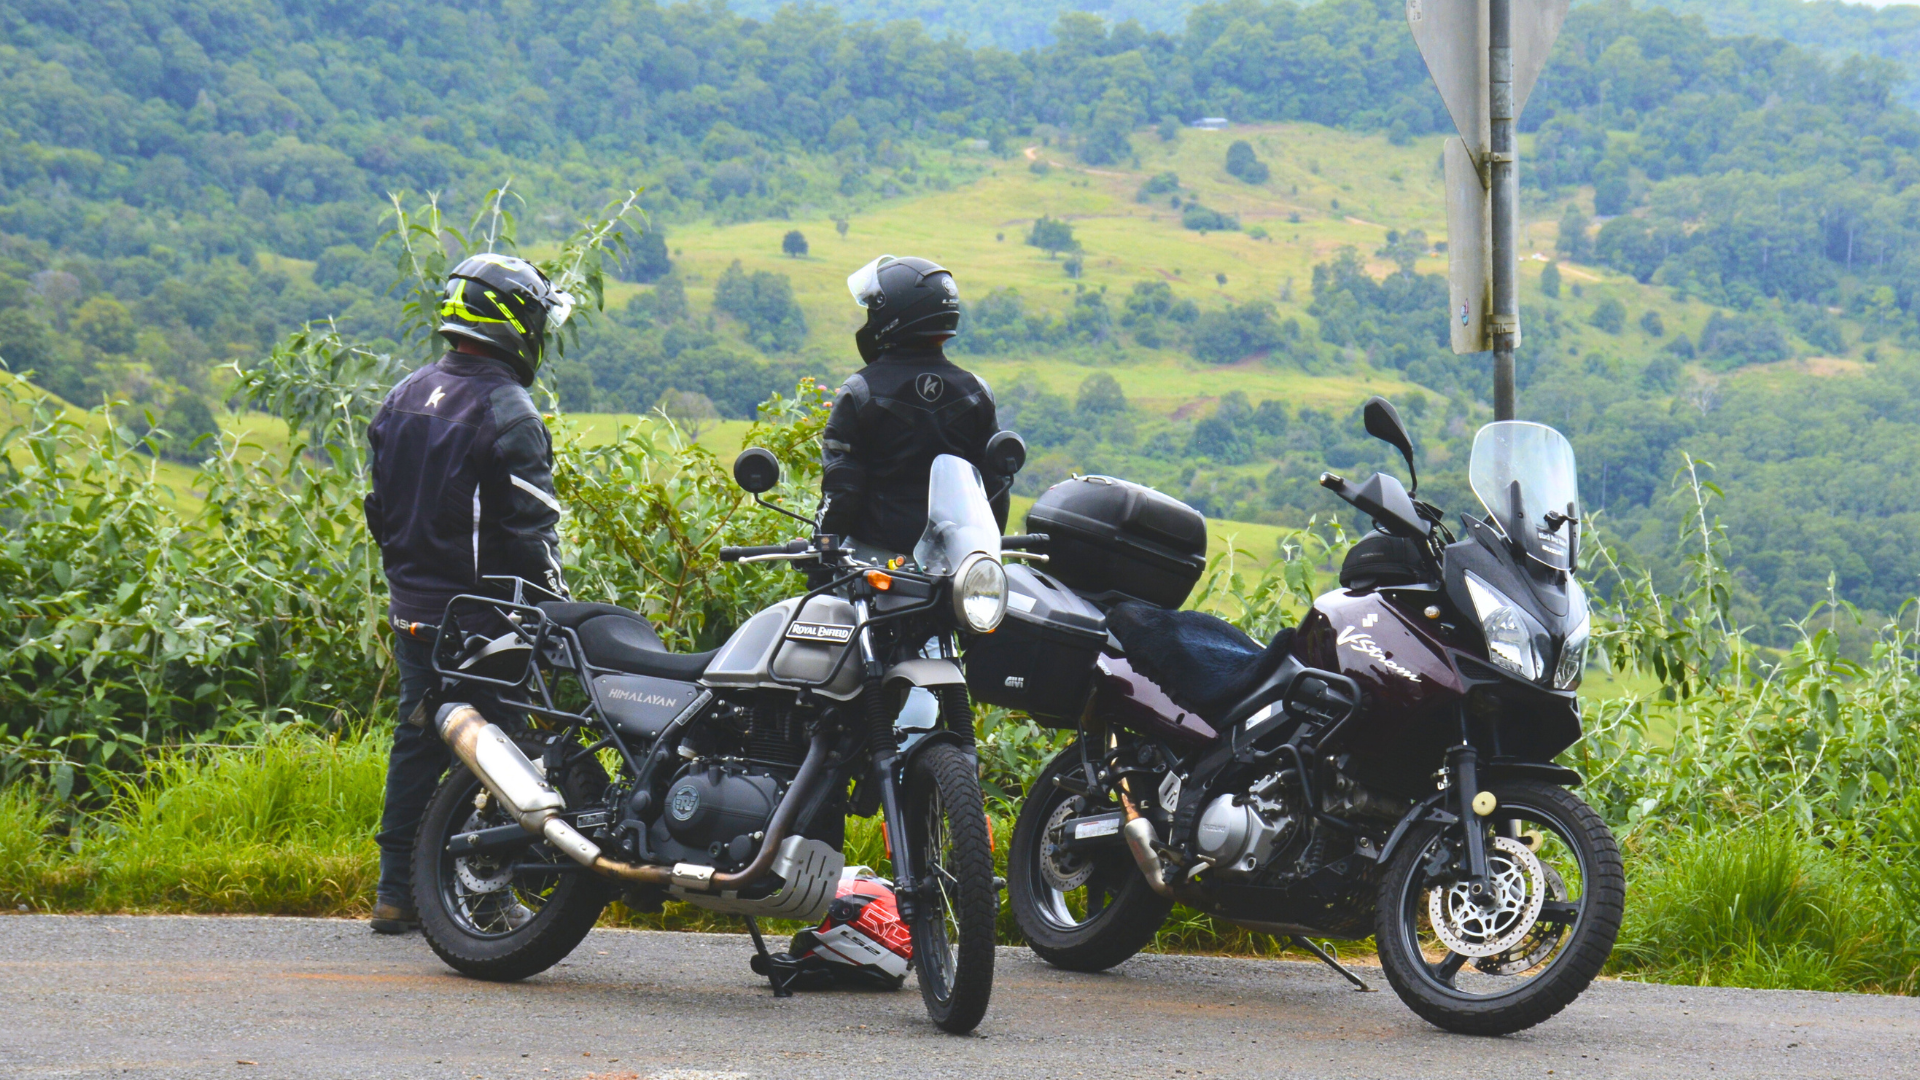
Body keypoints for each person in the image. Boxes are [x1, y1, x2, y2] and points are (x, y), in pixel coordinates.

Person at [361, 253, 575, 934]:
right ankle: (480, 898)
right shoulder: (508, 411)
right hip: (484, 620)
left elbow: (378, 510)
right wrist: (559, 617)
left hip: (414, 611)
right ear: (518, 324)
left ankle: (396, 893)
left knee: (418, 742)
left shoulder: (404, 393)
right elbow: (534, 535)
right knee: (502, 755)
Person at [820, 255, 1007, 558]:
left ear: (894, 314)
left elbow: (841, 492)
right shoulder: (976, 392)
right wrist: (984, 557)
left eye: (873, 311)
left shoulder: (861, 392)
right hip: (955, 567)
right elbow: (995, 489)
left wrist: (821, 552)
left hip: (874, 566)